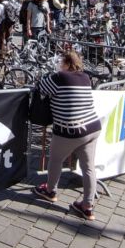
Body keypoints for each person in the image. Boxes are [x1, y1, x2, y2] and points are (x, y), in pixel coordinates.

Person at [34, 50, 102, 220]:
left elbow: (40, 86)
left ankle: (50, 190)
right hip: (92, 126)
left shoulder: (59, 77)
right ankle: (87, 206)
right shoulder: (85, 77)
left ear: (65, 63)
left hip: (70, 129)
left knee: (56, 160)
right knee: (88, 167)